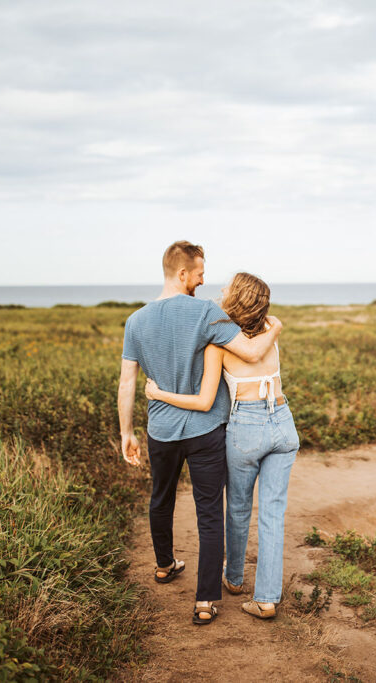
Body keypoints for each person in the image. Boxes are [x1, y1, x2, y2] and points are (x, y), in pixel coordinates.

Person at [118, 242, 283, 626]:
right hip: (207, 429)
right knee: (209, 512)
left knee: (161, 498)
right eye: (199, 273)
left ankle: (163, 565)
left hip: (161, 429)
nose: (204, 280)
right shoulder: (208, 311)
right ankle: (206, 600)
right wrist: (276, 328)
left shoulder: (135, 321)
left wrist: (126, 431)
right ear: (181, 274)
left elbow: (128, 382)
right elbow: (251, 351)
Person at [145, 272, 299, 620]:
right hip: (283, 421)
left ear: (236, 298)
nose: (222, 290)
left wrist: (157, 394)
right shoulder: (271, 331)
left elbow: (204, 399)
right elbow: (260, 345)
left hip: (246, 425)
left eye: (228, 288)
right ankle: (266, 599)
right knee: (273, 513)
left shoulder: (218, 343)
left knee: (238, 508)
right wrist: (273, 326)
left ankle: (233, 578)